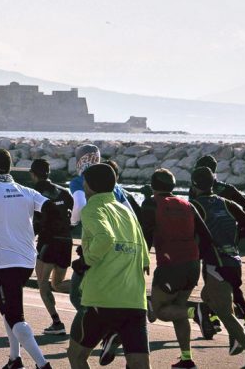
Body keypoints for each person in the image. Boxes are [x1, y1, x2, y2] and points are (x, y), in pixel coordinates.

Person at [0, 148, 54, 369]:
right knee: (9, 309)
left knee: (14, 314)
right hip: (28, 260)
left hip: (5, 263)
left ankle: (42, 364)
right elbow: (53, 208)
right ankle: (14, 358)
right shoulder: (26, 191)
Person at [66, 161, 150, 369]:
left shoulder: (92, 208)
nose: (83, 188)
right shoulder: (126, 212)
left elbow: (105, 239)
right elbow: (143, 247)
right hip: (134, 300)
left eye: (85, 183)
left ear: (91, 185)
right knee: (139, 364)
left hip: (102, 299)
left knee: (76, 356)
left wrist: (84, 261)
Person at [190, 167, 245, 369]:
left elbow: (192, 236)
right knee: (207, 297)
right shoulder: (227, 203)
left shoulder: (195, 205)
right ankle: (234, 335)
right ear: (214, 183)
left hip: (216, 264)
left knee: (225, 313)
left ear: (194, 185)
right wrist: (232, 240)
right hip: (234, 261)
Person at [138, 169, 210, 369]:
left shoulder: (151, 204)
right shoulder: (188, 204)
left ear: (152, 186)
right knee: (178, 309)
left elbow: (145, 236)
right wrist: (195, 257)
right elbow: (206, 236)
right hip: (193, 266)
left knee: (160, 311)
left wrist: (141, 261)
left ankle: (196, 312)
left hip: (170, 266)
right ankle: (187, 359)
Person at [29, 157, 74, 336]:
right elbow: (70, 217)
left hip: (48, 242)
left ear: (33, 175)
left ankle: (57, 322)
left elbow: (34, 222)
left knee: (43, 284)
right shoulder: (65, 193)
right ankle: (86, 290)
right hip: (66, 242)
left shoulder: (32, 193)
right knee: (58, 284)